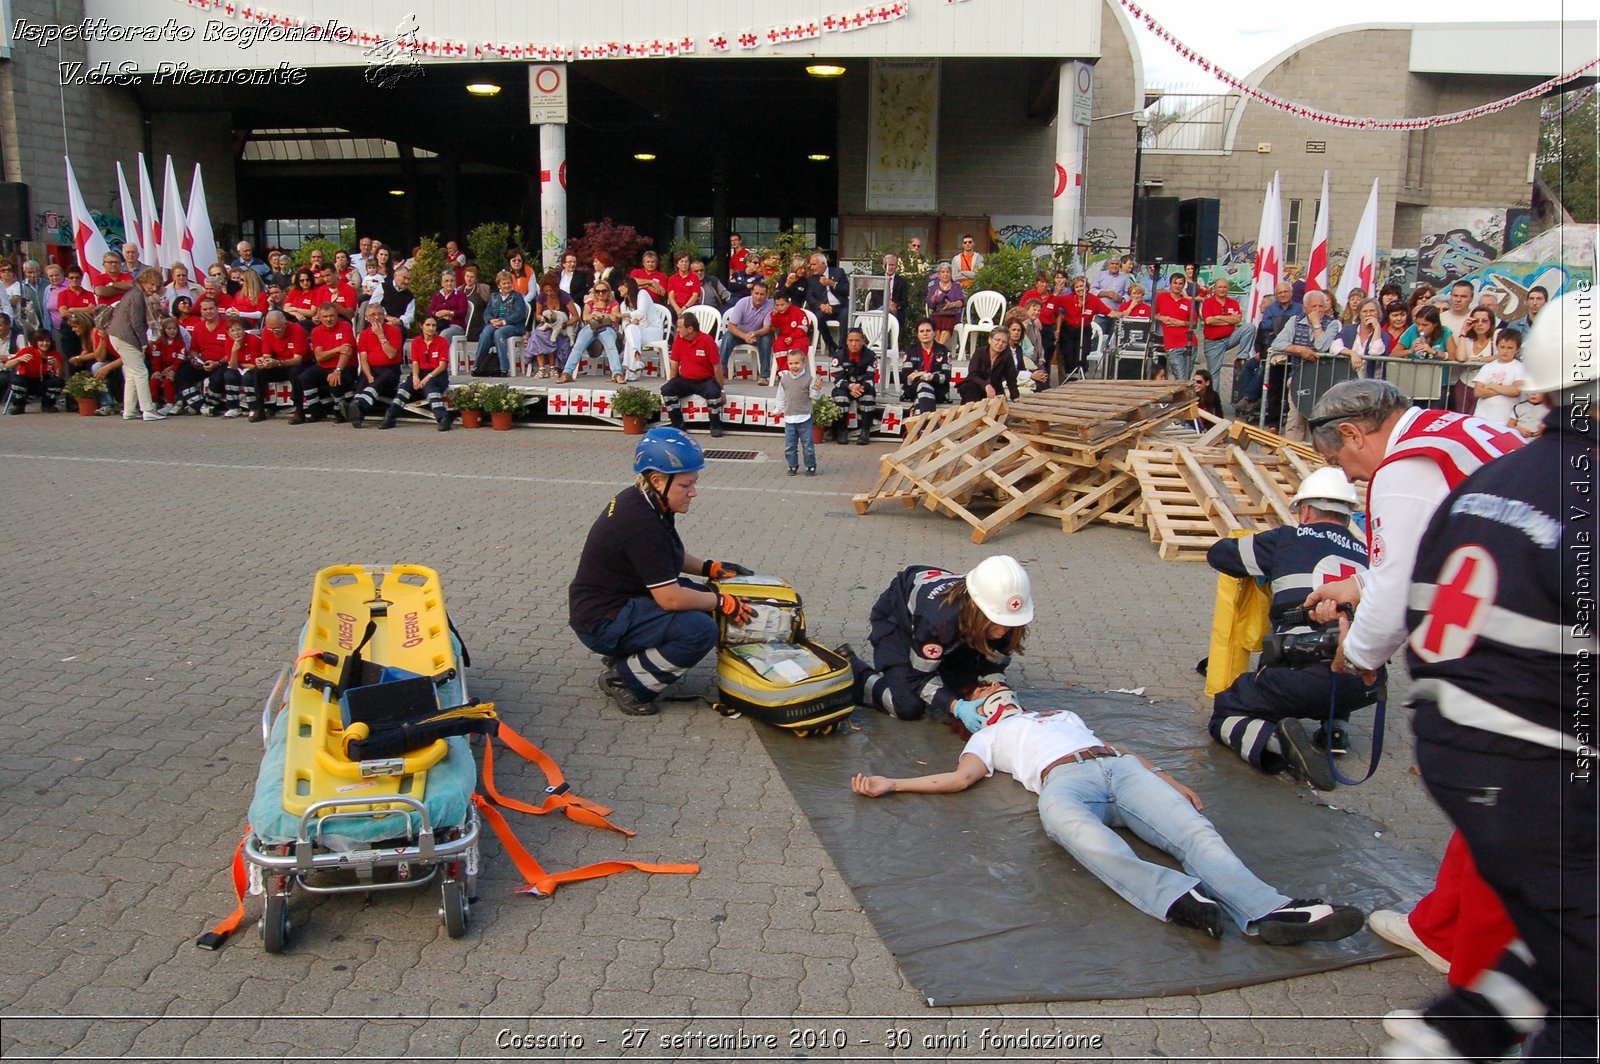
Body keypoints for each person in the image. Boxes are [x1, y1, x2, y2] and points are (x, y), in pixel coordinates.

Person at [1377, 291, 1595, 1064]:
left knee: (1561, 943)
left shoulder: (1494, 480)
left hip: (1458, 742)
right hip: (1535, 765)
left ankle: (1442, 1045)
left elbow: (1412, 602)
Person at [1301, 378, 1524, 998]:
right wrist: (1362, 586)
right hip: (1529, 608)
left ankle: (1481, 998)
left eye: (1342, 462)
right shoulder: (1457, 432)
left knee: (1507, 803)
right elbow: (1431, 551)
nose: (1352, 477)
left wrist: (1360, 654)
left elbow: (1400, 591)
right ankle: (1440, 928)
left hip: (1528, 643)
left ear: (1352, 433)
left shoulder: (1402, 468)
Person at [851, 688, 1365, 943]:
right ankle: (1180, 898)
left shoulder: (1059, 713)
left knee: (1193, 831)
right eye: (982, 692)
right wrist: (892, 782)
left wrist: (1167, 778)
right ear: (976, 714)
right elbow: (959, 779)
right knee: (1070, 828)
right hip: (1062, 781)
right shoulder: (986, 738)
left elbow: (1113, 745)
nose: (993, 688)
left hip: (1116, 768)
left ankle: (1270, 910)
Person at [1205, 468, 1381, 789]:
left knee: (1227, 708)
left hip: (1299, 672)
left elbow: (1220, 555)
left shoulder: (1287, 539)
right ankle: (1335, 730)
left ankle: (1277, 743)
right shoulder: (1370, 556)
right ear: (1348, 516)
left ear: (1307, 510)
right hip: (1365, 681)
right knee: (1343, 642)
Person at [567, 427, 755, 715]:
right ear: (657, 480)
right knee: (701, 629)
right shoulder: (640, 523)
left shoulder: (647, 502)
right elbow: (670, 599)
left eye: (694, 483)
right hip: (602, 621)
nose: (694, 492)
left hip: (616, 603)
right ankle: (625, 681)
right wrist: (721, 601)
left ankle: (631, 657)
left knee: (702, 597)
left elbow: (669, 556)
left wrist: (709, 568)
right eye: (685, 485)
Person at [849, 557, 1031, 722]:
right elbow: (919, 679)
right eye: (996, 624)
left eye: (1008, 624)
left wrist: (1001, 691)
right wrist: (956, 707)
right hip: (897, 621)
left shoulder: (1009, 616)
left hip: (952, 626)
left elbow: (993, 666)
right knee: (908, 706)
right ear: (976, 606)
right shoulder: (936, 621)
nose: (1002, 631)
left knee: (956, 687)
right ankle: (856, 676)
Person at [1270, 290, 1341, 441]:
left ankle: (1313, 457)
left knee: (1316, 421)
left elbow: (1321, 347)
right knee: (1295, 420)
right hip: (1298, 378)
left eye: (1321, 306)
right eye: (1314, 306)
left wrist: (1316, 325)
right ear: (1305, 308)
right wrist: (1298, 349)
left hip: (1322, 381)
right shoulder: (1294, 321)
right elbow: (1278, 343)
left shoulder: (1333, 324)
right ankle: (1291, 453)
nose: (1318, 310)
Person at [105, 267, 166, 421]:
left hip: (117, 335)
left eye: (157, 286)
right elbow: (137, 323)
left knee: (132, 373)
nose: (154, 288)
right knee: (141, 372)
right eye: (152, 284)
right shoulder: (137, 296)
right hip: (126, 337)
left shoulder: (134, 293)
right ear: (144, 281)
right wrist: (143, 343)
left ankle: (130, 410)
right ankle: (148, 409)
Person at [661, 312, 726, 437]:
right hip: (685, 380)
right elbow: (674, 364)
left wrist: (722, 390)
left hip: (705, 381)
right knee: (667, 390)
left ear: (690, 329)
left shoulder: (707, 340)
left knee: (714, 393)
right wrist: (672, 383)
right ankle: (677, 425)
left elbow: (717, 367)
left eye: (680, 327)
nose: (678, 330)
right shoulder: (679, 339)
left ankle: (715, 425)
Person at [385, 313, 453, 431]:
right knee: (404, 388)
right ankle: (390, 417)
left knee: (431, 388)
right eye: (428, 325)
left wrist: (428, 377)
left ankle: (443, 418)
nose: (431, 328)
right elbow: (415, 362)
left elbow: (442, 366)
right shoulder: (416, 341)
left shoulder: (442, 342)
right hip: (420, 371)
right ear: (421, 326)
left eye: (433, 325)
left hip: (437, 373)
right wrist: (415, 377)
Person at [291, 303, 355, 424]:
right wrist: (337, 349)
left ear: (337, 315)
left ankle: (339, 412)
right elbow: (319, 357)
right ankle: (317, 412)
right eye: (325, 317)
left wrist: (338, 370)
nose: (328, 319)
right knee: (305, 377)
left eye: (331, 316)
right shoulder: (316, 331)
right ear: (319, 318)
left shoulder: (345, 326)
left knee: (335, 379)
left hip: (345, 366)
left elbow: (346, 351)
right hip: (324, 365)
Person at [348, 304, 404, 428]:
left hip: (390, 369)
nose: (377, 317)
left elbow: (391, 355)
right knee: (363, 379)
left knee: (383, 377)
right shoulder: (363, 334)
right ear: (367, 318)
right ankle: (358, 411)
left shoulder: (394, 331)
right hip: (371, 369)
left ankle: (360, 405)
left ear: (384, 316)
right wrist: (368, 375)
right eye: (373, 315)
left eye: (380, 314)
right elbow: (363, 359)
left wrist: (380, 335)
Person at [245, 311, 306, 421]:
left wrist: (278, 363)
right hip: (278, 363)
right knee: (258, 371)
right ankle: (260, 408)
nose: (274, 332)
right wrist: (263, 361)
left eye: (277, 328)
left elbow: (298, 359)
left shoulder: (297, 330)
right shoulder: (266, 332)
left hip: (296, 363)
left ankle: (299, 410)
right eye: (271, 329)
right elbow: (267, 354)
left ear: (284, 324)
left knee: (295, 372)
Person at [1051, 275, 1111, 381]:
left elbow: (1108, 312)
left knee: (1082, 355)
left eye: (1082, 286)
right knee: (1068, 355)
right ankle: (1070, 379)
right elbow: (1053, 302)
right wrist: (1057, 292)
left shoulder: (1093, 300)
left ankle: (1081, 377)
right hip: (1068, 331)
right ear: (1074, 289)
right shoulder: (1068, 298)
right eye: (1077, 287)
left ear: (1087, 287)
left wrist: (1125, 312)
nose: (1080, 289)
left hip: (1084, 330)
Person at [774, 349, 822, 476]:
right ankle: (792, 465)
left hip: (805, 417)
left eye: (797, 363)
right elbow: (780, 397)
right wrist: (778, 410)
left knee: (808, 445)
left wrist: (816, 389)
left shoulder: (809, 379)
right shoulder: (784, 380)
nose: (794, 366)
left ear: (804, 363)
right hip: (790, 418)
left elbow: (814, 396)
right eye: (791, 363)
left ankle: (811, 466)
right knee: (790, 446)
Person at [1199, 277, 1255, 387]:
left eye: (1224, 287)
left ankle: (1241, 357)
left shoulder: (1233, 302)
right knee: (1213, 374)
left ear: (1228, 289)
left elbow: (1238, 319)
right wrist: (1229, 320)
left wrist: (1218, 317)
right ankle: (1214, 402)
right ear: (1214, 288)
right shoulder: (1208, 302)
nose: (1222, 289)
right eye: (1219, 287)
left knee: (1250, 327)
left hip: (1230, 338)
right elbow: (1209, 320)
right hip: (1213, 343)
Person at [567, 278, 623, 383]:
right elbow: (585, 317)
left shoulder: (614, 303)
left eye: (603, 291)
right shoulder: (590, 303)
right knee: (578, 346)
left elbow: (614, 318)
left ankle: (617, 373)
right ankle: (567, 372)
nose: (600, 293)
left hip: (608, 328)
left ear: (608, 292)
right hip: (591, 327)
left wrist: (597, 314)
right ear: (595, 293)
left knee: (611, 346)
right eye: (597, 291)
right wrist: (600, 315)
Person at [472, 270, 528, 377]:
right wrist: (491, 320)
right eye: (504, 283)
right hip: (497, 323)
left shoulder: (517, 296)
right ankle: (477, 365)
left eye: (509, 283)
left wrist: (503, 322)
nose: (507, 285)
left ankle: (503, 368)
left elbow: (519, 314)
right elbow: (487, 312)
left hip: (514, 326)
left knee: (499, 333)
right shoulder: (494, 297)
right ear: (499, 285)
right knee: (486, 332)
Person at [718, 280, 775, 383]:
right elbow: (731, 326)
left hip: (758, 334)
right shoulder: (742, 303)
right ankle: (720, 373)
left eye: (762, 294)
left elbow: (767, 328)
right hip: (740, 334)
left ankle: (764, 376)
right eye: (756, 293)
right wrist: (745, 336)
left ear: (766, 295)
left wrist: (754, 334)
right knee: (727, 337)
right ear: (751, 293)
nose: (759, 297)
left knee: (767, 339)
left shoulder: (770, 305)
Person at [1469, 328, 1526, 429]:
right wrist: (1504, 389)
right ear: (1497, 347)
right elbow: (1478, 392)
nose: (1505, 351)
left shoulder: (1520, 367)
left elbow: (1515, 391)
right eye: (1502, 347)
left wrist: (1491, 386)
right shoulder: (1488, 367)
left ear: (1517, 349)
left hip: (1504, 419)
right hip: (1482, 417)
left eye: (1510, 348)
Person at [829, 326, 876, 445]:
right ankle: (842, 431)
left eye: (857, 340)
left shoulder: (871, 355)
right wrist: (849, 387)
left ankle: (865, 431)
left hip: (862, 388)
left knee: (868, 397)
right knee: (840, 397)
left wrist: (860, 388)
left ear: (863, 341)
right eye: (851, 340)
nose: (854, 344)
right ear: (846, 341)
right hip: (845, 387)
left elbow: (871, 378)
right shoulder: (839, 355)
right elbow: (837, 379)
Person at [525, 275, 577, 381]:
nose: (548, 293)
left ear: (556, 288)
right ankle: (542, 368)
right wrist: (545, 319)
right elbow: (538, 315)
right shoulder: (541, 297)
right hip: (547, 324)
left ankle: (554, 368)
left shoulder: (565, 297)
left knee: (550, 337)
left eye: (551, 290)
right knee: (536, 336)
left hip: (561, 327)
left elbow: (576, 316)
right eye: (546, 290)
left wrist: (565, 324)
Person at [619, 275, 670, 383]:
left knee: (631, 333)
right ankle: (636, 362)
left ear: (628, 286)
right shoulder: (623, 304)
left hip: (653, 330)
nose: (618, 289)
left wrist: (623, 315)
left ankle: (630, 371)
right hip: (637, 333)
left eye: (621, 286)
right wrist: (630, 321)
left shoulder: (642, 294)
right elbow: (624, 324)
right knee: (630, 329)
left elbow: (641, 313)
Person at [1, 329, 65, 413]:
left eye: (47, 341)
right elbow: (8, 365)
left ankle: (48, 404)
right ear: (36, 342)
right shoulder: (27, 350)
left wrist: (57, 364)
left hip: (44, 380)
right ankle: (19, 405)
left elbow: (60, 375)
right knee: (17, 381)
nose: (45, 344)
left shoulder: (54, 353)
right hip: (27, 379)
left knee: (58, 382)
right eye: (41, 341)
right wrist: (19, 359)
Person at [1449, 305, 1498, 413]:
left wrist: (1479, 360)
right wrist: (1463, 332)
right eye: (1476, 321)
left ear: (1491, 322)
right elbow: (1461, 358)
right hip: (1465, 384)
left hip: (1486, 386)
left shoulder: (1496, 336)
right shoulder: (1467, 340)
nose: (1480, 324)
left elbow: (1501, 355)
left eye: (1484, 321)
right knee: (1461, 416)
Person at [1331, 298, 1393, 379]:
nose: (1368, 314)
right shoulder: (1348, 330)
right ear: (1359, 315)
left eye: (1372, 311)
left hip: (1371, 382)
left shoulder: (1384, 335)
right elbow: (1334, 347)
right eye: (1364, 311)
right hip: (1347, 379)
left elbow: (1375, 352)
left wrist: (1377, 328)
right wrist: (1352, 353)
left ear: (1378, 314)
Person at [900, 317, 951, 413]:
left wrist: (932, 377)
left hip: (938, 389)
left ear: (934, 333)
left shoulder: (944, 351)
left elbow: (946, 376)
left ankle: (921, 418)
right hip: (913, 388)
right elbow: (906, 376)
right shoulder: (911, 350)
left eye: (928, 330)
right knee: (923, 385)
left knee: (921, 396)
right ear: (917, 335)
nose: (925, 333)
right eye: (921, 331)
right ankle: (928, 422)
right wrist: (924, 375)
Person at [957, 327, 1020, 405]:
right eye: (997, 340)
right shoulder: (979, 352)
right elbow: (972, 375)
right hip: (976, 387)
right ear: (990, 340)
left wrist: (1016, 399)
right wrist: (986, 385)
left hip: (995, 390)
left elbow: (1011, 380)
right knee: (970, 386)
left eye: (1004, 342)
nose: (1000, 344)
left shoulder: (1007, 356)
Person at [1154, 272, 1197, 382]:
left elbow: (1195, 323)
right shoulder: (1161, 298)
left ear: (1183, 285)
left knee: (1186, 378)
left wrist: (1181, 323)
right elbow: (1151, 314)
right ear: (1170, 284)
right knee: (1181, 378)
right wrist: (1162, 318)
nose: (1177, 286)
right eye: (1175, 283)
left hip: (1190, 343)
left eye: (1180, 283)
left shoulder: (1188, 303)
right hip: (1173, 345)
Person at [804, 252, 847, 355]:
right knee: (818, 317)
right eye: (811, 264)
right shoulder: (811, 279)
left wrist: (832, 284)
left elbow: (847, 290)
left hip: (840, 306)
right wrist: (821, 305)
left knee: (845, 315)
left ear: (823, 264)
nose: (812, 267)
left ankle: (842, 348)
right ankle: (831, 345)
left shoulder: (838, 272)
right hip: (824, 307)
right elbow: (809, 297)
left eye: (814, 264)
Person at [924, 263, 964, 347]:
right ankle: (939, 350)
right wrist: (934, 297)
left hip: (952, 314)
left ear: (951, 273)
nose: (945, 274)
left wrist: (952, 304)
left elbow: (961, 302)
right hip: (938, 313)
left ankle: (938, 349)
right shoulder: (933, 288)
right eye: (943, 272)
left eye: (948, 272)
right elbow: (930, 305)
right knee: (936, 327)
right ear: (939, 274)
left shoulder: (956, 286)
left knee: (947, 322)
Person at [426, 269, 468, 340]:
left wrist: (449, 313)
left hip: (455, 325)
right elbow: (429, 310)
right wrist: (437, 314)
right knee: (428, 333)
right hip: (439, 324)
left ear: (455, 283)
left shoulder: (461, 295)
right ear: (442, 283)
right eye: (446, 281)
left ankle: (443, 351)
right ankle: (429, 351)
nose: (449, 283)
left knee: (444, 335)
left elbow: (463, 312)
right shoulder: (437, 295)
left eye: (452, 281)